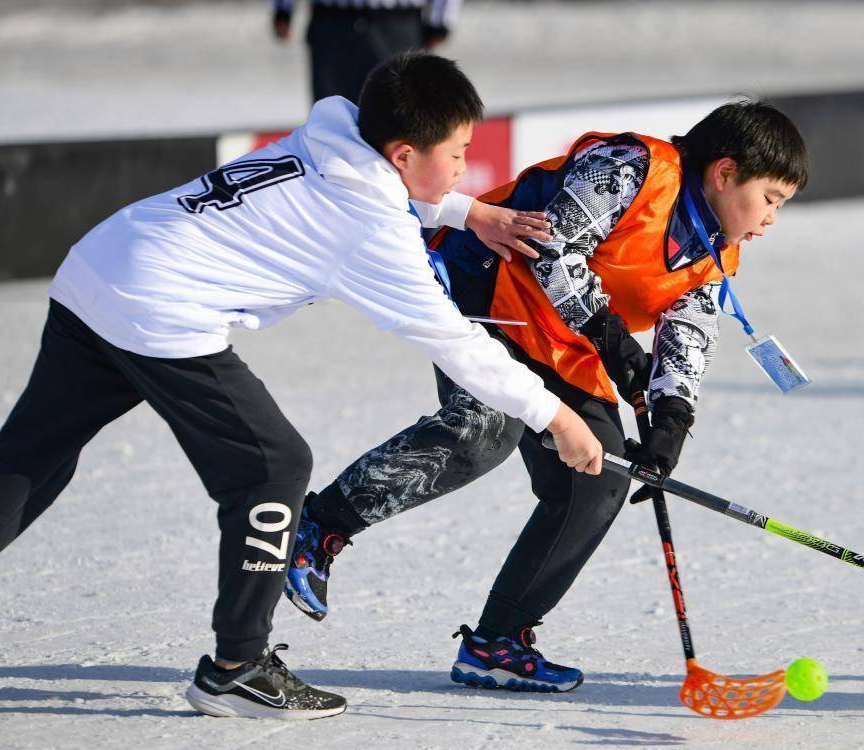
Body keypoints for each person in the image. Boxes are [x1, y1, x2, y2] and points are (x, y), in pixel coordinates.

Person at [0, 52, 602, 720]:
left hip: (103, 263)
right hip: (158, 306)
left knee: (28, 465)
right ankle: (236, 668)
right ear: (403, 152)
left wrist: (464, 210)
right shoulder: (368, 227)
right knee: (272, 466)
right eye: (457, 152)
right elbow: (452, 340)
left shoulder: (331, 132)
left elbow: (376, 182)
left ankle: (236, 663)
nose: (461, 165)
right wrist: (555, 416)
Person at [284, 100, 809, 692]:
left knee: (599, 477)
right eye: (770, 199)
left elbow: (688, 332)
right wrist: (615, 341)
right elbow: (554, 248)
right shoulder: (635, 167)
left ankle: (497, 643)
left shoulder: (715, 249)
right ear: (725, 172)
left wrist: (671, 417)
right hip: (488, 294)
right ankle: (317, 525)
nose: (769, 219)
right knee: (486, 429)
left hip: (561, 339)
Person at [273, 0, 464, 103]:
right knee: (331, 111)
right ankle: (331, 174)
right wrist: (283, 8)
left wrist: (440, 19)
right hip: (332, 21)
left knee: (399, 110)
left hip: (398, 23)